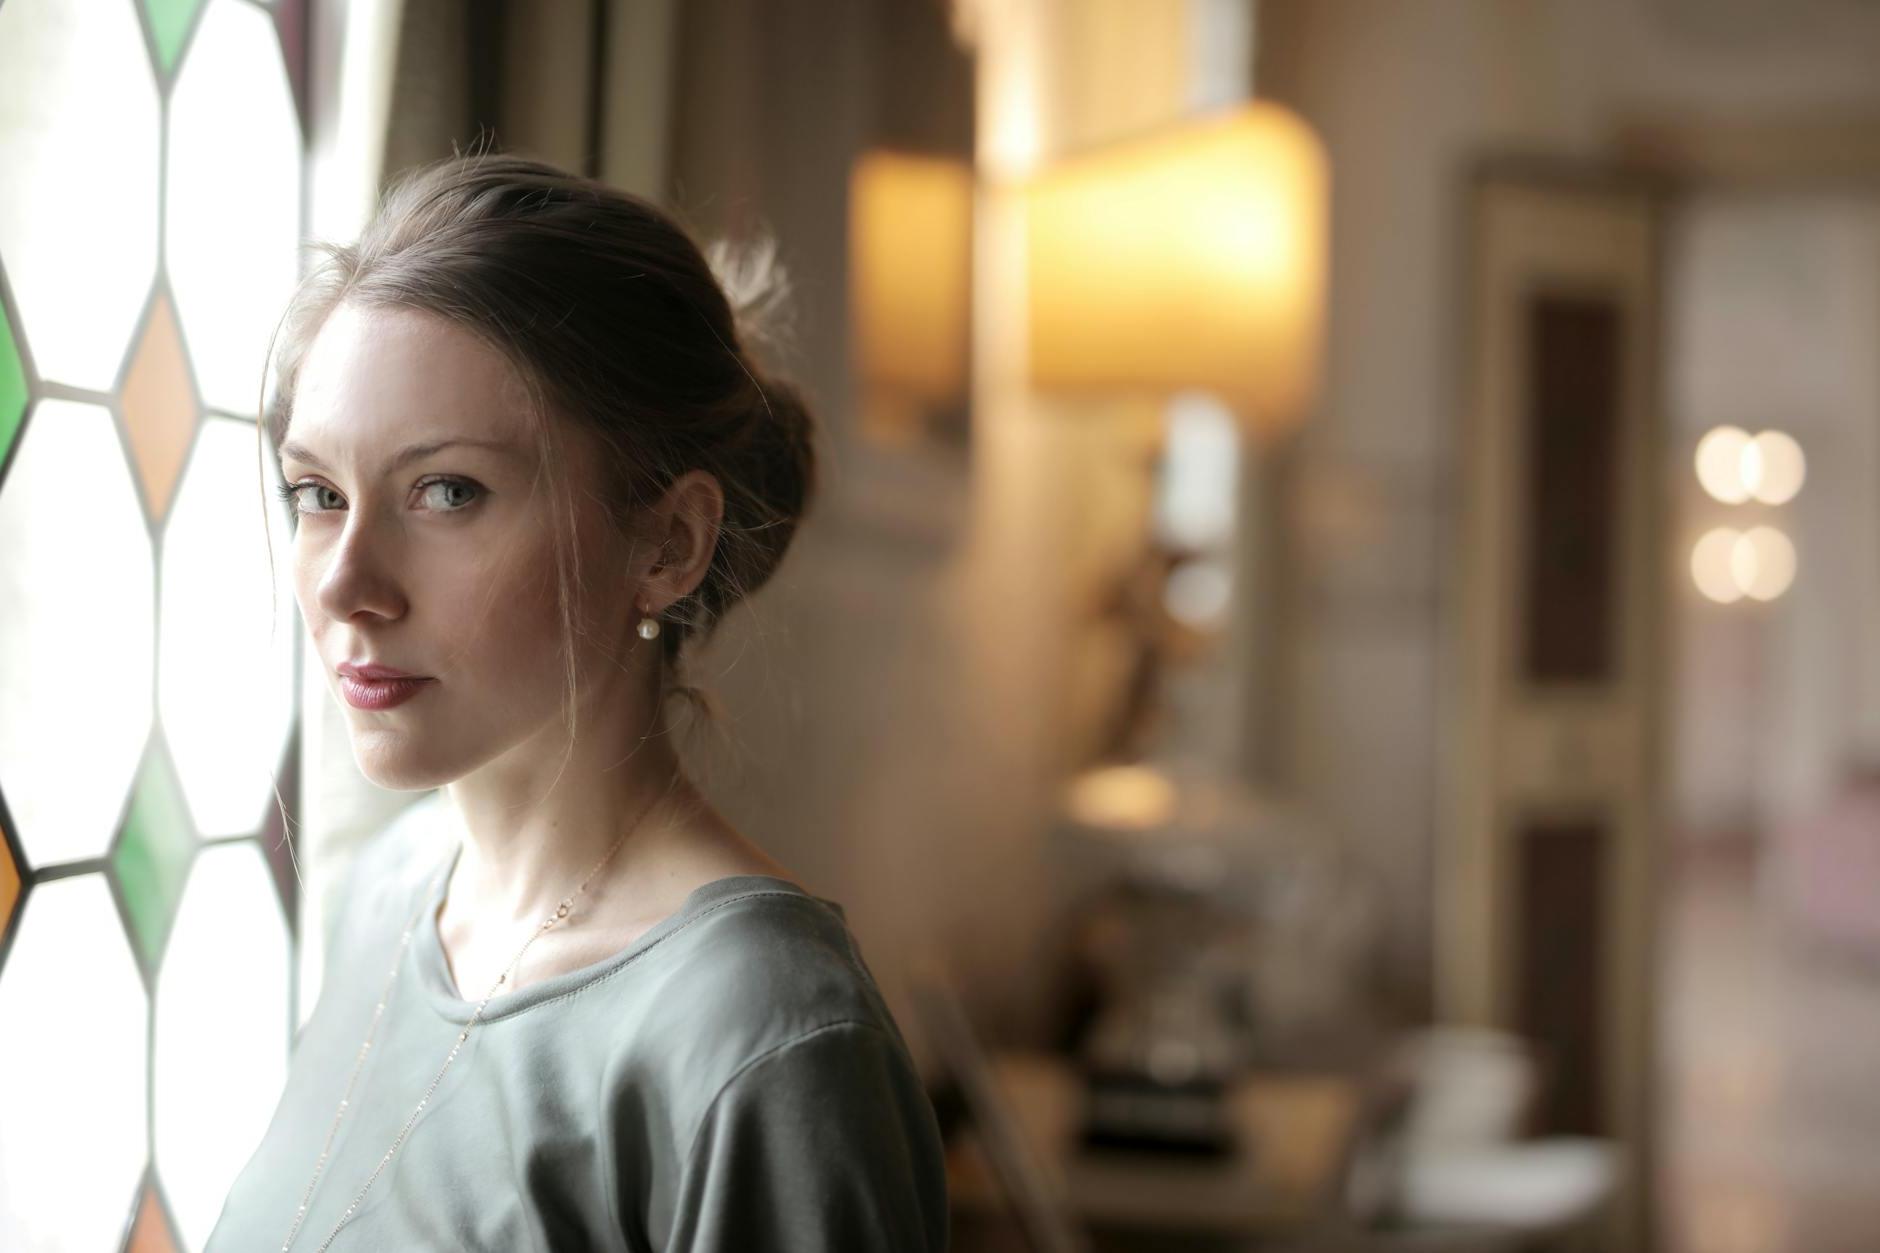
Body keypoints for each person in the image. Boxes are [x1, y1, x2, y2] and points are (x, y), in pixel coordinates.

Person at [205, 153, 949, 1252]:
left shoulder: (761, 1034)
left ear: (667, 542)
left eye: (446, 491)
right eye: (317, 493)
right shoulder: (395, 888)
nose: (344, 583)